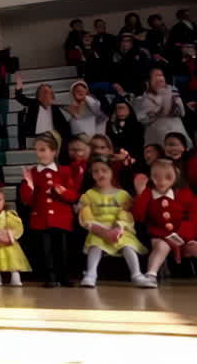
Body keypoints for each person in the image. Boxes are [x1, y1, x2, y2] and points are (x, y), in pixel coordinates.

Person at [79, 156, 147, 287]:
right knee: (95, 245)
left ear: (111, 172)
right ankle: (91, 274)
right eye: (96, 171)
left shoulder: (123, 194)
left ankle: (136, 274)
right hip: (98, 229)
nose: (100, 174)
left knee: (127, 246)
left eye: (104, 170)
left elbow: (126, 213)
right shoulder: (88, 195)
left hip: (120, 229)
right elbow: (86, 216)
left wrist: (118, 227)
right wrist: (102, 231)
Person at [20, 134, 78, 288]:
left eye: (43, 150)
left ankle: (64, 276)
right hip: (41, 216)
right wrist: (29, 184)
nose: (40, 154)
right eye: (37, 150)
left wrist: (60, 190)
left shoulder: (64, 171)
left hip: (61, 217)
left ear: (54, 152)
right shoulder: (32, 172)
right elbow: (27, 200)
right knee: (45, 249)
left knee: (63, 248)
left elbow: (73, 196)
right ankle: (50, 276)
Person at [132, 159, 196, 287]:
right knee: (162, 247)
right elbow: (138, 216)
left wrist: (185, 235)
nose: (161, 181)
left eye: (167, 177)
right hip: (159, 234)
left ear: (176, 175)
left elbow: (194, 216)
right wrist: (140, 192)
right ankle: (151, 275)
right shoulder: (148, 193)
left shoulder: (184, 193)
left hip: (183, 235)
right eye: (156, 177)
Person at [13, 77, 71, 150]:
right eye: (45, 92)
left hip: (51, 135)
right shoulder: (33, 103)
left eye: (49, 93)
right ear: (39, 96)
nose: (48, 95)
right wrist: (18, 88)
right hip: (36, 134)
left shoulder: (54, 108)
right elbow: (20, 98)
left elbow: (63, 125)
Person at [134, 68, 185, 147]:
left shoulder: (173, 93)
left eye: (161, 75)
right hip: (156, 135)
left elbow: (182, 113)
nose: (160, 78)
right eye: (156, 76)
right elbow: (143, 120)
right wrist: (158, 112)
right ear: (148, 82)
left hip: (177, 130)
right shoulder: (141, 99)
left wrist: (175, 105)